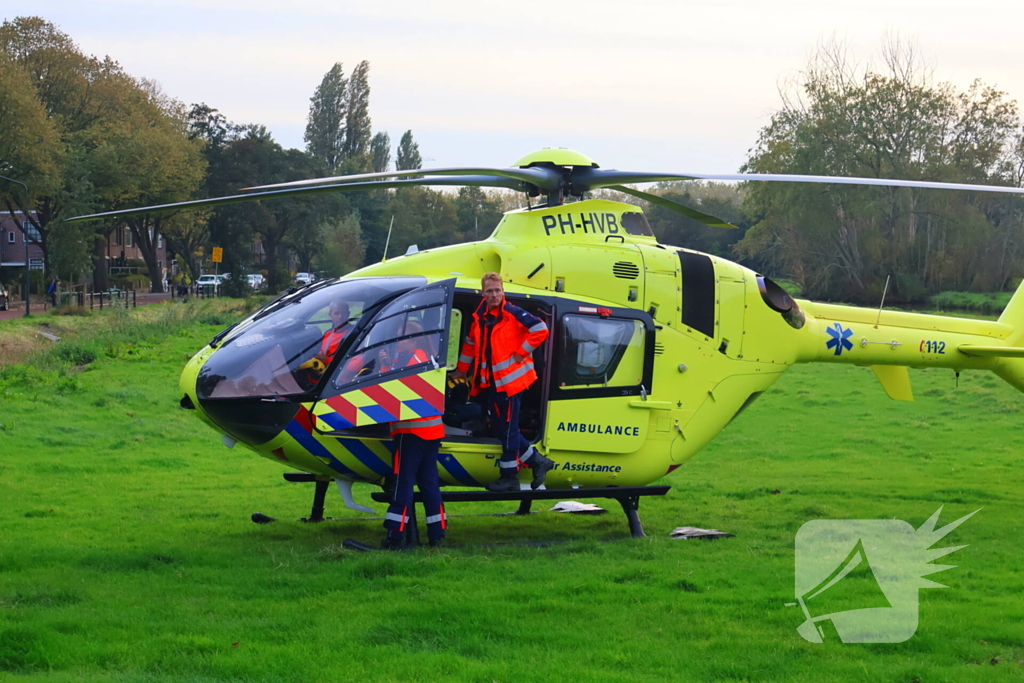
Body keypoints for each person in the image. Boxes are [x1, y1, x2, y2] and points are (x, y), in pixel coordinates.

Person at [452, 272, 557, 492]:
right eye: (490, 291)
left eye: (497, 290)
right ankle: (537, 461)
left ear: (503, 291)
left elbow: (540, 329)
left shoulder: (513, 313)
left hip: (510, 383)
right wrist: (460, 371)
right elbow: (470, 346)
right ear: (483, 293)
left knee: (507, 429)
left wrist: (522, 352)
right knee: (502, 428)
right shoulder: (479, 318)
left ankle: (510, 477)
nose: (494, 295)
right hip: (491, 383)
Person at [381, 322, 446, 550]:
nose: (397, 342)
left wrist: (384, 366)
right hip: (431, 432)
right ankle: (437, 535)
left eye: (402, 338)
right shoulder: (423, 358)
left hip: (411, 432)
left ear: (415, 340)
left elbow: (390, 390)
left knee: (403, 484)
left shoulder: (411, 361)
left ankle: (395, 536)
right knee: (429, 485)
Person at [319, 300, 353, 365]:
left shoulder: (354, 333)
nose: (340, 317)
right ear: (330, 315)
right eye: (336, 313)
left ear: (348, 314)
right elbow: (321, 355)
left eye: (343, 313)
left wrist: (327, 360)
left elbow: (356, 362)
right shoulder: (327, 334)